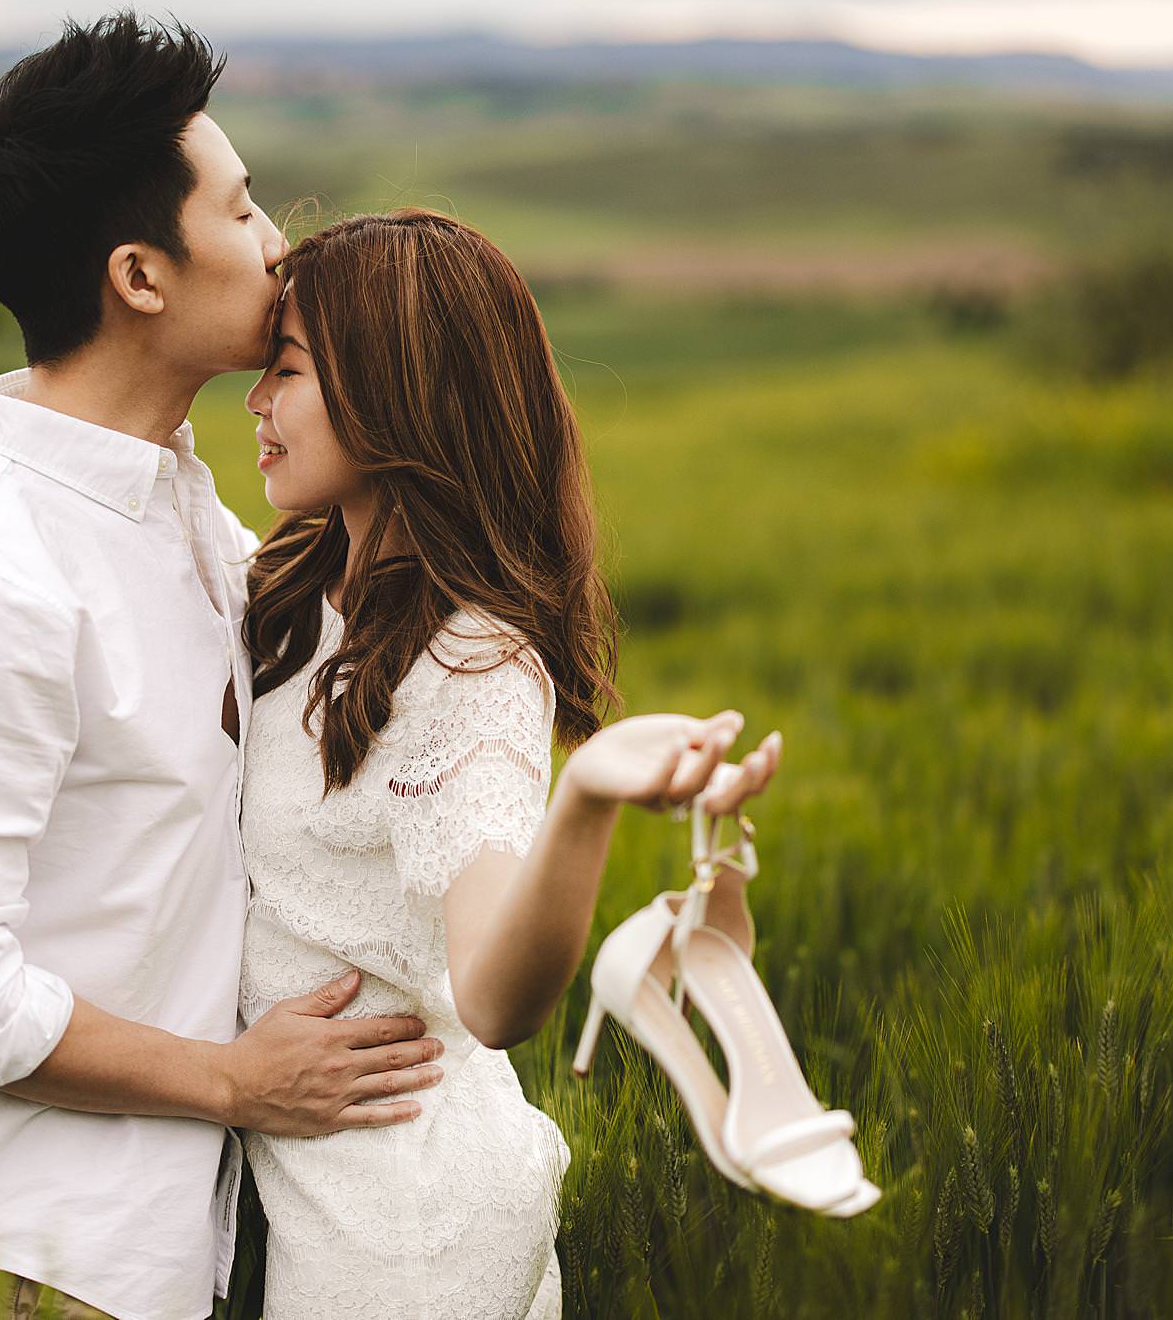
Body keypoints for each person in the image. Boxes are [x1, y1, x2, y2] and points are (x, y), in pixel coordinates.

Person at [0, 13, 447, 1320]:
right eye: (245, 208)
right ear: (141, 277)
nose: (281, 246)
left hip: (140, 1232)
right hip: (14, 1248)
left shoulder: (187, 524)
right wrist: (233, 1083)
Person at [238, 210, 782, 1317]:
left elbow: (492, 992)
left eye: (285, 371)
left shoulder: (471, 665)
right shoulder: (294, 588)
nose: (254, 403)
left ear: (393, 394)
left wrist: (580, 801)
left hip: (402, 1237)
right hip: (305, 1197)